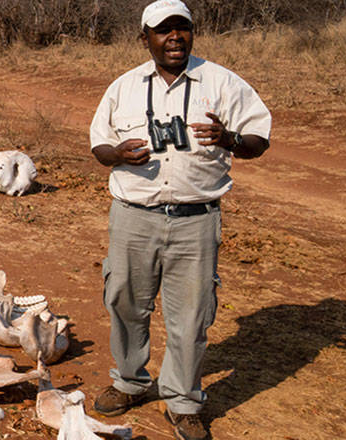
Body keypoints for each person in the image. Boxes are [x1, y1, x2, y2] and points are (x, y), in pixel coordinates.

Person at [87, 1, 270, 439]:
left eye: (181, 28)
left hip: (196, 219)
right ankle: (130, 382)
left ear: (192, 32)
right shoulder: (124, 87)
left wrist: (229, 139)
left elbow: (259, 139)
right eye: (163, 30)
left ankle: (184, 401)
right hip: (134, 216)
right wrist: (118, 154)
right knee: (125, 301)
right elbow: (99, 145)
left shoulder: (222, 83)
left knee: (191, 315)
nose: (174, 37)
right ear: (144, 37)